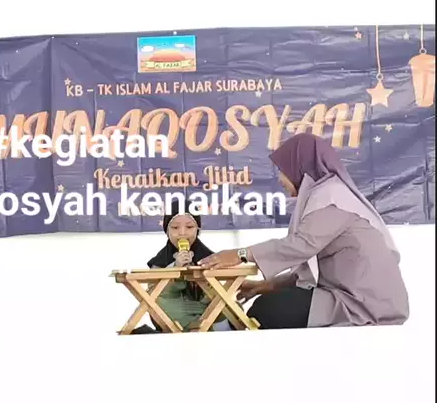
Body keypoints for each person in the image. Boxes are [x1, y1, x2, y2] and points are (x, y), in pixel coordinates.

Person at [197, 134, 409, 329]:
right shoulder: (326, 195)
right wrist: (263, 285)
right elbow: (306, 271)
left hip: (364, 303)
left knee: (269, 310)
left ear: (299, 166)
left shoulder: (332, 198)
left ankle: (214, 338)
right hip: (349, 296)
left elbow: (300, 246)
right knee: (269, 305)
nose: (280, 179)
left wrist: (240, 254)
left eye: (282, 171)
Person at [131, 199, 230, 334]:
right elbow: (155, 290)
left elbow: (219, 283)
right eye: (175, 228)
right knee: (157, 303)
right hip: (177, 307)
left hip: (204, 305)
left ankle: (216, 328)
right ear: (166, 231)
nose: (182, 233)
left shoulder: (208, 256)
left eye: (189, 227)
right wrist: (175, 267)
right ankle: (198, 328)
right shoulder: (161, 259)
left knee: (228, 304)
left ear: (198, 230)